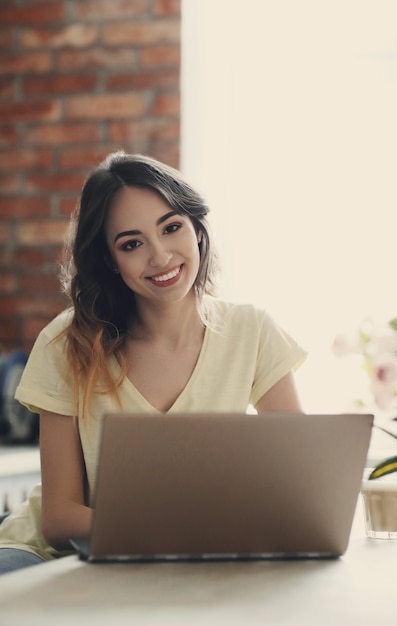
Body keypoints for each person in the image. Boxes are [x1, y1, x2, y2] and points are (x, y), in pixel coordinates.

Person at [0, 151, 306, 574]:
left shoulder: (251, 331)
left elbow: (298, 482)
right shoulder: (66, 342)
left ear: (197, 229)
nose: (160, 256)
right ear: (110, 260)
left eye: (172, 227)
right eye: (132, 243)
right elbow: (58, 518)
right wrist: (181, 536)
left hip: (186, 555)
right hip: (55, 555)